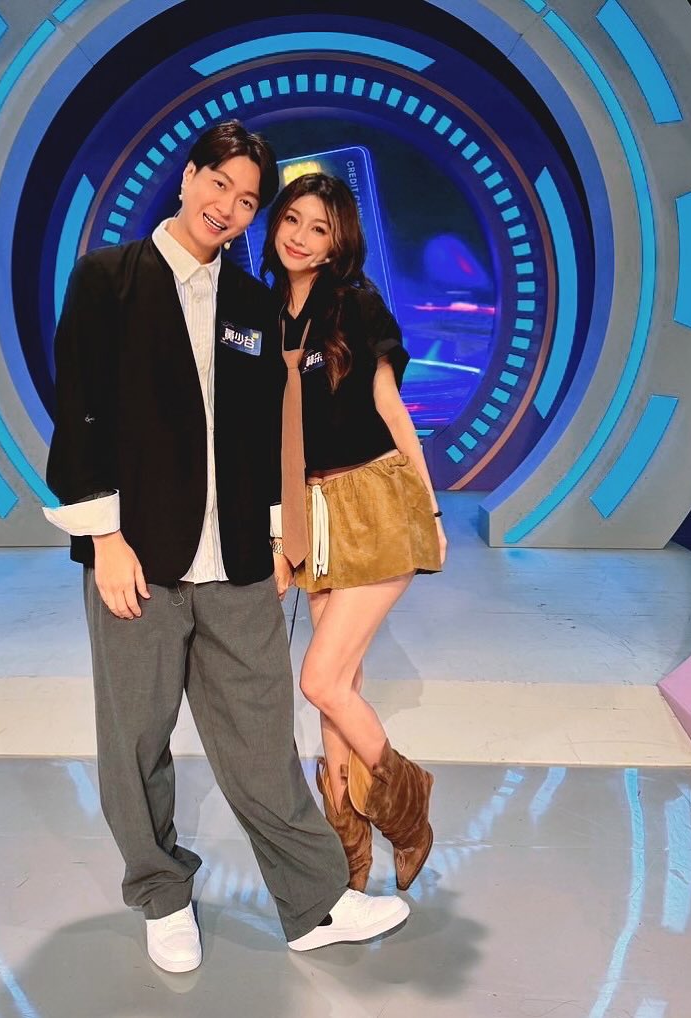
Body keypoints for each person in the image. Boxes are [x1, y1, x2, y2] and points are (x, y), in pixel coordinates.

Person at [42, 123, 408, 974]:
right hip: (138, 558)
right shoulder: (108, 279)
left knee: (261, 739)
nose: (229, 209)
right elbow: (80, 416)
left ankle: (314, 904)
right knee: (136, 739)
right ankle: (161, 892)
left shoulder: (249, 301)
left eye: (247, 202)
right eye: (221, 187)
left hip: (238, 558)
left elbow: (261, 434)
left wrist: (279, 538)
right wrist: (105, 539)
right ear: (189, 176)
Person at [261, 172, 448, 895]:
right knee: (341, 683)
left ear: (339, 242)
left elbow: (391, 409)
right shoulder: (265, 314)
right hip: (310, 511)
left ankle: (406, 800)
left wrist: (430, 510)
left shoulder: (356, 303)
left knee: (318, 678)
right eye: (292, 220)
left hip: (373, 500)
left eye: (320, 227)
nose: (301, 237)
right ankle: (348, 839)